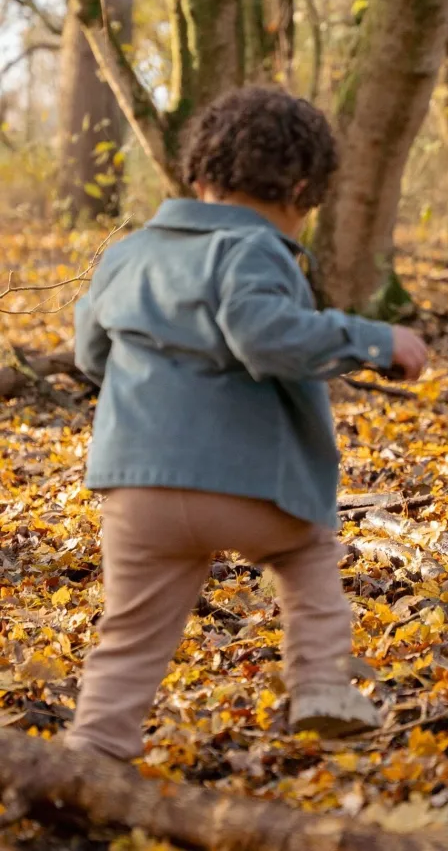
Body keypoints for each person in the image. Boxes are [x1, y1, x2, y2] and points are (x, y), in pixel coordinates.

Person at [66, 86, 428, 761]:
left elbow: (91, 355)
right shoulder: (255, 252)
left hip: (136, 487)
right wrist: (374, 341)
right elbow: (265, 335)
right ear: (301, 190)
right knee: (308, 554)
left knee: (132, 631)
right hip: (250, 486)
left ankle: (94, 750)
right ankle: (319, 684)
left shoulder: (127, 254)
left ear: (199, 175)